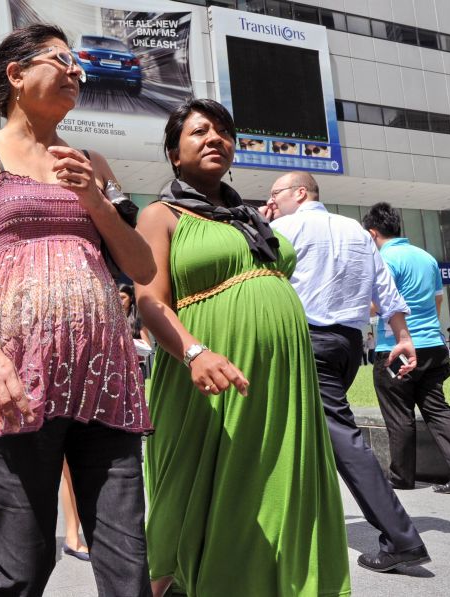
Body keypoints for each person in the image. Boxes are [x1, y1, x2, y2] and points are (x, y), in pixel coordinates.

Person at [0, 23, 156, 596]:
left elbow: (141, 267)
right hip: (12, 382)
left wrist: (93, 198)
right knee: (22, 564)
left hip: (104, 380)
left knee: (126, 560)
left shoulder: (91, 162)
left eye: (78, 65)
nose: (76, 72)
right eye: (61, 60)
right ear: (16, 74)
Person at [136, 99, 349, 597]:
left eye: (224, 131)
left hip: (281, 379)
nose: (215, 138)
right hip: (205, 374)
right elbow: (149, 300)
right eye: (199, 131)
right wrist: (194, 352)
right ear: (173, 154)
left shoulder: (248, 218)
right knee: (187, 492)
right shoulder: (159, 214)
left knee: (272, 484)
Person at [262, 171, 429, 574]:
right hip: (348, 345)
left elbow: (262, 279)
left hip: (305, 340)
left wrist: (262, 226)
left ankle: (402, 539)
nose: (271, 201)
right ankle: (298, 518)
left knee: (338, 433)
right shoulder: (354, 229)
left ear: (300, 193)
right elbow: (384, 288)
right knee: (311, 430)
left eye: (275, 194)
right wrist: (403, 336)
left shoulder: (283, 227)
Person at [363, 202, 450, 494]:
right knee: (437, 408)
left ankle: (402, 478)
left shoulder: (384, 259)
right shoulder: (427, 258)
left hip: (396, 347)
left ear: (372, 232)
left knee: (398, 413)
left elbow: (379, 304)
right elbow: (438, 300)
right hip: (432, 345)